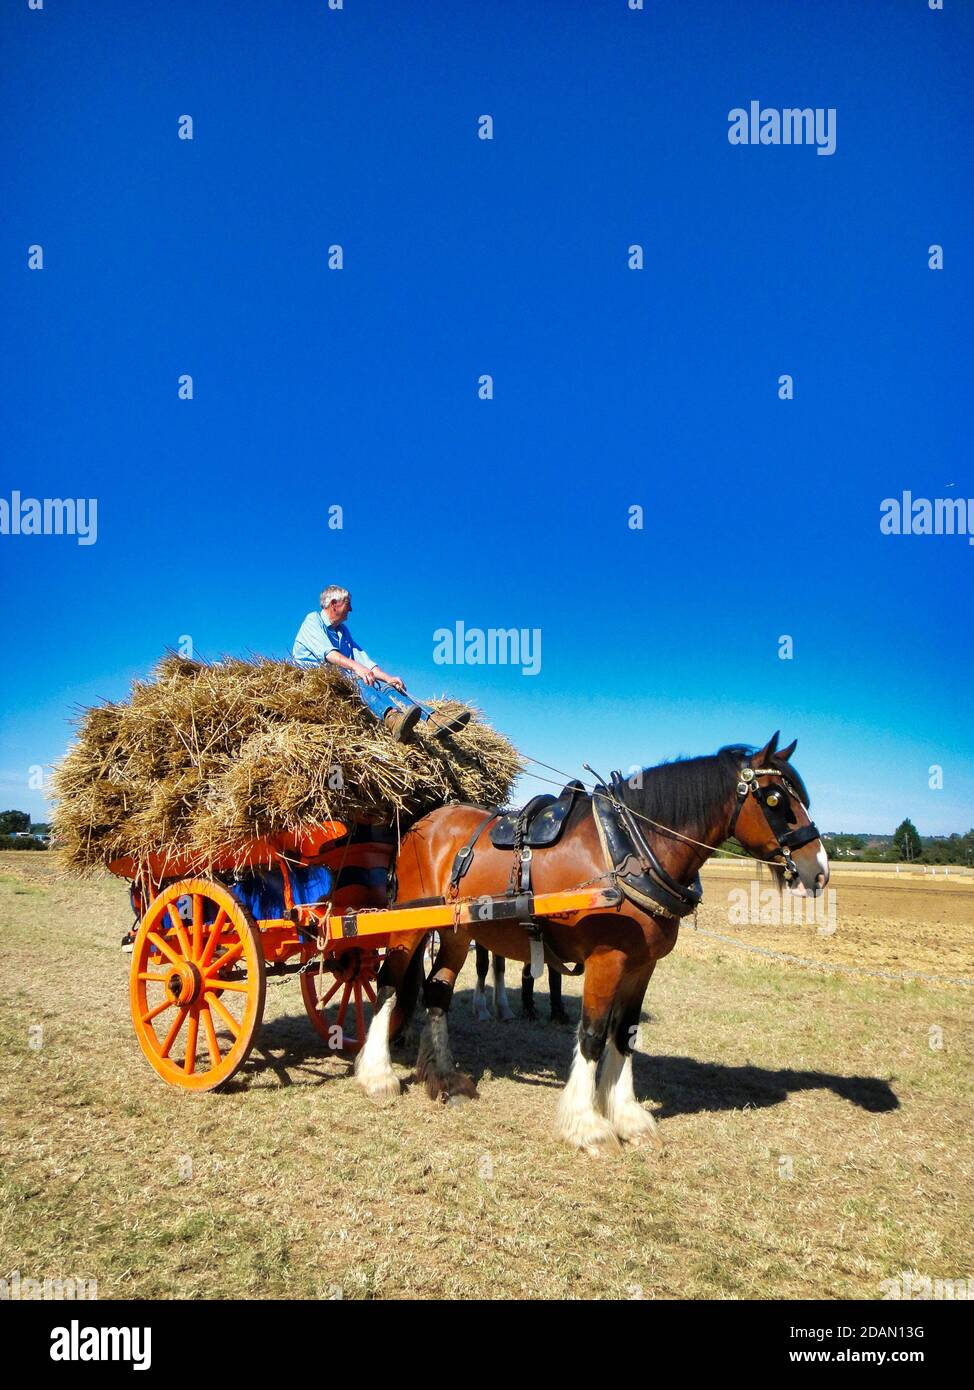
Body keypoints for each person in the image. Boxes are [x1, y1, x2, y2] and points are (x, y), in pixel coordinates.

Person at [292, 585, 470, 744]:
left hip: (342, 679)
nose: (351, 609)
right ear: (333, 604)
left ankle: (433, 719)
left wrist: (389, 678)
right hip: (314, 681)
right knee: (359, 681)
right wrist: (357, 668)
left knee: (388, 687)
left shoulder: (343, 631)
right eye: (348, 604)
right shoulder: (313, 620)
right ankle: (393, 719)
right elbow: (330, 654)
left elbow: (363, 660)